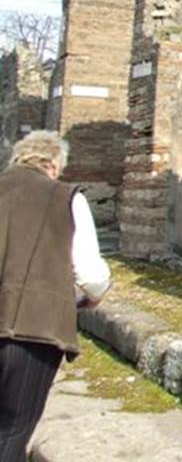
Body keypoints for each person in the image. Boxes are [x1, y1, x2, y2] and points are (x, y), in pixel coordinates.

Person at [0, 131, 110, 462]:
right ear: (53, 165)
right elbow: (90, 274)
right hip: (32, 328)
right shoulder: (65, 197)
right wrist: (94, 296)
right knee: (13, 429)